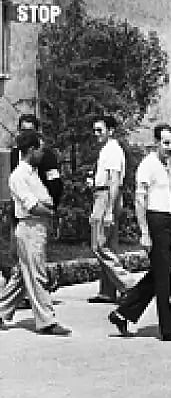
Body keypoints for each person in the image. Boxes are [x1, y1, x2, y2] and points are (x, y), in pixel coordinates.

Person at [108, 124, 171, 343]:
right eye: (165, 143)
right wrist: (144, 232)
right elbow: (140, 200)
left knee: (156, 275)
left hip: (165, 221)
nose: (169, 147)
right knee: (164, 281)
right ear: (156, 142)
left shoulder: (165, 165)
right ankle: (169, 329)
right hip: (154, 222)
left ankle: (123, 313)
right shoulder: (148, 165)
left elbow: (161, 196)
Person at [0, 131, 70, 335]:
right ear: (31, 150)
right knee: (38, 274)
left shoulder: (32, 172)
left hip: (38, 226)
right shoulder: (19, 176)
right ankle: (47, 320)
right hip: (30, 227)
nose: (42, 153)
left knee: (23, 276)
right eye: (40, 149)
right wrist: (52, 212)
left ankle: (1, 310)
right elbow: (32, 206)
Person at [87, 114, 133, 304]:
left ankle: (129, 286)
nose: (96, 134)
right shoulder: (107, 149)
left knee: (99, 245)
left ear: (111, 131)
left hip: (106, 197)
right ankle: (107, 291)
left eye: (100, 130)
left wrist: (108, 210)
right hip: (102, 194)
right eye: (94, 130)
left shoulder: (113, 150)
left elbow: (114, 181)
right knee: (108, 245)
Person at [11, 114, 63, 207]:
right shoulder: (14, 154)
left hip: (42, 207)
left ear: (37, 132)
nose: (26, 134)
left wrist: (50, 207)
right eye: (23, 131)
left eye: (30, 131)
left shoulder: (47, 155)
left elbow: (55, 184)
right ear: (19, 131)